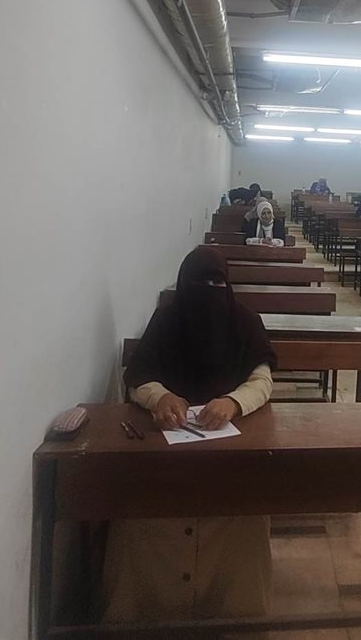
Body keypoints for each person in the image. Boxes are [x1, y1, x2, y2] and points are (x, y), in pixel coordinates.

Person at [111, 247, 277, 621]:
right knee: (138, 512)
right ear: (184, 285)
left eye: (218, 283)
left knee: (245, 513)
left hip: (231, 445)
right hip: (168, 443)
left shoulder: (245, 320)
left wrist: (233, 402)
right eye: (200, 283)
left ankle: (237, 612)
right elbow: (138, 379)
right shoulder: (166, 321)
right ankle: (148, 611)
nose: (210, 291)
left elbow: (262, 380)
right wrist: (161, 397)